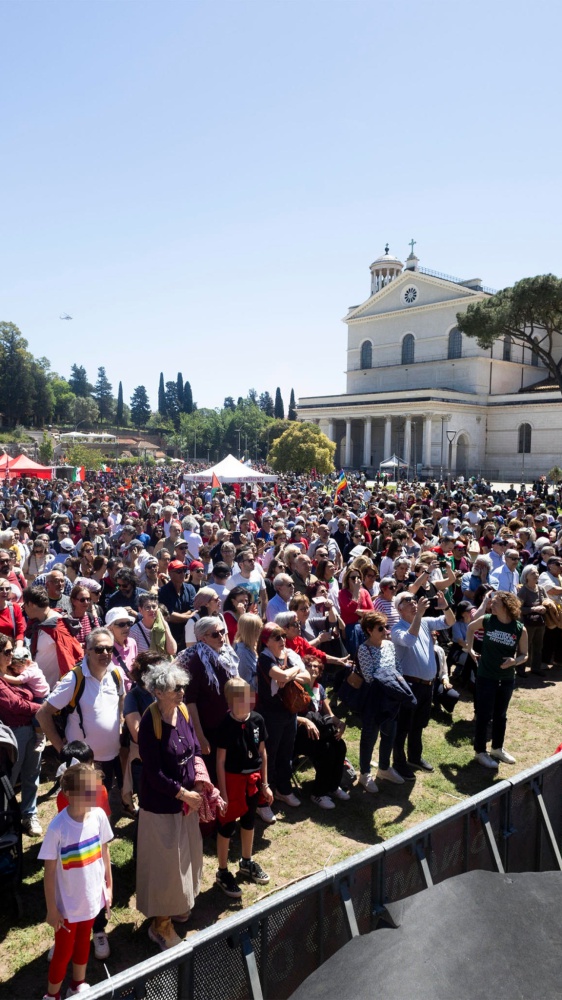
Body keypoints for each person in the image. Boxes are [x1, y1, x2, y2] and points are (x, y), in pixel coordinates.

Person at [136, 661, 205, 951]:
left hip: (186, 804)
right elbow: (153, 773)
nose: (182, 692)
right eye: (176, 688)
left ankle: (177, 906)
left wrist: (200, 781)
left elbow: (195, 749)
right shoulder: (149, 723)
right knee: (165, 867)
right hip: (161, 808)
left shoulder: (184, 711)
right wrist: (184, 794)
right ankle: (160, 925)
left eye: (182, 686)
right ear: (159, 692)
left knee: (186, 858)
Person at [39, 762, 113, 1000]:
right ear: (68, 794)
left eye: (94, 789)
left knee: (83, 942)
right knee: (63, 951)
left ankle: (77, 985)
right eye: (85, 791)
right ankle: (52, 995)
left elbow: (104, 852)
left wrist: (108, 887)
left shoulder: (99, 816)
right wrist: (52, 909)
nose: (92, 795)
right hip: (67, 908)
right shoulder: (57, 828)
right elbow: (49, 872)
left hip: (91, 900)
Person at [37, 628, 125, 794]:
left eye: (109, 649)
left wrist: (120, 719)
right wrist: (61, 749)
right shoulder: (74, 679)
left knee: (103, 801)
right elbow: (42, 714)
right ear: (87, 651)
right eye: (99, 649)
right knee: (83, 805)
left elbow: (121, 696)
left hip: (110, 756)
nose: (105, 653)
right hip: (81, 763)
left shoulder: (116, 673)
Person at [215, 678, 272, 898]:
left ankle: (246, 862)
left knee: (249, 821)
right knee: (227, 826)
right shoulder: (225, 724)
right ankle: (222, 871)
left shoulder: (258, 720)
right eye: (240, 698)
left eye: (249, 696)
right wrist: (223, 793)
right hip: (232, 781)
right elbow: (220, 761)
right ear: (230, 701)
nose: (247, 702)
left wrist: (265, 784)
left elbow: (262, 753)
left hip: (253, 780)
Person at [391, 591, 455, 778]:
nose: (413, 603)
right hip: (409, 685)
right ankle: (399, 763)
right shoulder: (397, 629)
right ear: (399, 608)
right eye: (407, 601)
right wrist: (419, 614)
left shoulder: (425, 622)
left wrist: (446, 607)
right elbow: (409, 640)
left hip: (427, 685)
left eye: (414, 600)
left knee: (418, 724)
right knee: (403, 726)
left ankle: (415, 757)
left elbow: (450, 622)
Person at [465, 591, 528, 769]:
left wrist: (514, 661)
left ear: (507, 606)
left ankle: (497, 748)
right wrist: (470, 649)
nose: (491, 605)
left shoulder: (519, 628)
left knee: (501, 715)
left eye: (495, 603)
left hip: (507, 679)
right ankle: (480, 752)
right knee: (484, 715)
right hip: (486, 676)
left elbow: (525, 655)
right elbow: (470, 628)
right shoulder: (487, 620)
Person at [356, 612, 414, 792]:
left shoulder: (389, 645)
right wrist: (391, 679)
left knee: (390, 734)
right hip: (375, 700)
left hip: (391, 699)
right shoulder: (364, 649)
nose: (386, 631)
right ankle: (365, 773)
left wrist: (395, 683)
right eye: (381, 628)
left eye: (386, 627)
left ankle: (384, 768)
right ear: (369, 630)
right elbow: (369, 676)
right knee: (369, 737)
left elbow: (398, 668)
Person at [256, 622, 311, 811]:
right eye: (277, 637)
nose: (282, 640)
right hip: (271, 715)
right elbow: (281, 676)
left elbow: (307, 676)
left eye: (283, 636)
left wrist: (288, 675)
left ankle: (283, 789)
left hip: (289, 711)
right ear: (266, 642)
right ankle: (265, 798)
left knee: (287, 753)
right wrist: (291, 673)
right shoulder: (264, 659)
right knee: (270, 755)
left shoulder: (289, 654)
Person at [178, 616, 240, 780]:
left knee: (230, 768)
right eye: (214, 634)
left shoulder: (227, 654)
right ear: (202, 638)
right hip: (210, 727)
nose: (221, 637)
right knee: (213, 772)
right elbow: (190, 701)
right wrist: (200, 736)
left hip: (230, 720)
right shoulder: (197, 662)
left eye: (222, 632)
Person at [0, 633, 43, 835]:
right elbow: (16, 705)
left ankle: (29, 815)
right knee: (9, 779)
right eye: (7, 651)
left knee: (32, 774)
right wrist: (44, 709)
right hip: (14, 734)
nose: (12, 655)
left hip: (32, 728)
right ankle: (5, 819)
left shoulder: (14, 670)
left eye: (11, 650)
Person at [294, 656, 348, 809]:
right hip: (300, 734)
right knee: (327, 750)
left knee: (340, 745)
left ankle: (333, 786)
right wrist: (305, 721)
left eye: (317, 667)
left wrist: (340, 723)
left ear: (320, 672)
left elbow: (329, 714)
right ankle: (318, 793)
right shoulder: (296, 687)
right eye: (309, 665)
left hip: (318, 732)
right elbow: (288, 716)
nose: (313, 668)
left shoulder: (319, 689)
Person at [157, 560, 196, 651]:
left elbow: (193, 608)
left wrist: (181, 616)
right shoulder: (163, 592)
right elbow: (169, 616)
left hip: (189, 634)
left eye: (184, 570)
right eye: (179, 571)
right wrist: (189, 617)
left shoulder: (190, 588)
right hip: (172, 634)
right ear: (170, 574)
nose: (182, 574)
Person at [517, 564, 548, 677]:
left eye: (537, 572)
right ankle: (520, 669)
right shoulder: (523, 590)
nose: (536, 575)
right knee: (525, 646)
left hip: (540, 622)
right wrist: (533, 609)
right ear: (526, 576)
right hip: (527, 624)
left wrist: (545, 607)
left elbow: (547, 602)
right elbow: (518, 608)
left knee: (538, 646)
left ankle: (536, 668)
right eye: (533, 573)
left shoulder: (541, 589)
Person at [129, 593, 177, 658]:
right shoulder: (134, 631)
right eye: (147, 607)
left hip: (164, 663)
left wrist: (165, 626)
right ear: (140, 610)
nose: (151, 610)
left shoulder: (162, 626)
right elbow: (132, 657)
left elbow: (172, 651)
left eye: (154, 607)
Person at [225, 549, 268, 619]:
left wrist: (263, 614)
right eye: (249, 560)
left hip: (256, 616)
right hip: (240, 618)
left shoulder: (258, 576)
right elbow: (228, 600)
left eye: (253, 560)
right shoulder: (232, 580)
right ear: (241, 564)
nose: (253, 562)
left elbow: (264, 597)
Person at [233, 612, 263, 691]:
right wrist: (262, 674)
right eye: (259, 628)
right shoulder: (242, 654)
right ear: (251, 632)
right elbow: (245, 685)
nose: (262, 631)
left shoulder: (256, 646)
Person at [0, 578, 25, 645]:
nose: (5, 591)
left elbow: (20, 632)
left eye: (7, 589)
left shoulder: (14, 607)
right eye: (1, 589)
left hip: (8, 648)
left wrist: (19, 647)